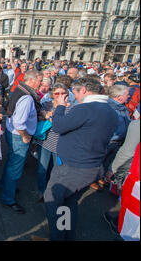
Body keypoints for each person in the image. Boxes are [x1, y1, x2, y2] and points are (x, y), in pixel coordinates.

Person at [43, 77, 119, 241]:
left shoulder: (85, 109)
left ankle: (57, 238)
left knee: (53, 200)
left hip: (72, 169)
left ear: (83, 90)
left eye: (75, 93)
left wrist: (60, 106)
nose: (74, 97)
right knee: (69, 204)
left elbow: (58, 126)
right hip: (92, 167)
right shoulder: (112, 112)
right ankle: (67, 236)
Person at [0, 70, 43, 214]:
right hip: (18, 136)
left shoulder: (21, 88)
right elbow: (19, 123)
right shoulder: (27, 98)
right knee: (15, 167)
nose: (41, 83)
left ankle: (6, 186)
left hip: (11, 131)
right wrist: (25, 136)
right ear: (32, 80)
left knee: (12, 163)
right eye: (40, 80)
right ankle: (8, 198)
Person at [33, 83, 73, 202]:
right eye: (57, 93)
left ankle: (53, 193)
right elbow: (39, 116)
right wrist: (44, 114)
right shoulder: (47, 105)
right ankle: (41, 191)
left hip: (60, 145)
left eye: (63, 93)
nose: (60, 95)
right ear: (52, 95)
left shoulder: (72, 108)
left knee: (57, 171)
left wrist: (50, 117)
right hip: (44, 142)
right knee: (42, 169)